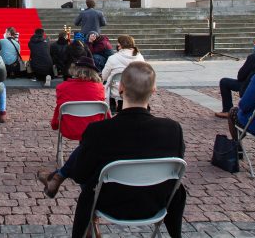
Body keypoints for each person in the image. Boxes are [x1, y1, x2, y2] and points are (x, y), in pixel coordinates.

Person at [70, 61, 186, 238]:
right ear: (153, 89)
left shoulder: (98, 131)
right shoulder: (172, 129)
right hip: (155, 203)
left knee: (89, 183)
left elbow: (80, 174)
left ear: (120, 88)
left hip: (110, 204)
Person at [37, 56, 107, 196]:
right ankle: (59, 177)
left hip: (70, 128)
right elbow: (105, 114)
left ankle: (58, 177)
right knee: (88, 144)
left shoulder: (63, 87)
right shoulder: (99, 88)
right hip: (94, 130)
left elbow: (59, 110)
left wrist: (55, 124)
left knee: (87, 146)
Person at [215, 32, 255, 119]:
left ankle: (227, 110)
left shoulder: (254, 57)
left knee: (224, 82)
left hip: (251, 87)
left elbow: (241, 76)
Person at [101, 35, 145, 111]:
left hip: (116, 90)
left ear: (120, 45)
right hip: (134, 89)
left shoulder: (113, 58)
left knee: (109, 82)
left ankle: (113, 105)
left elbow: (104, 76)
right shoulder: (140, 57)